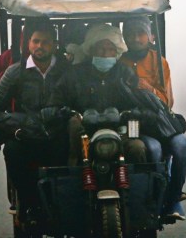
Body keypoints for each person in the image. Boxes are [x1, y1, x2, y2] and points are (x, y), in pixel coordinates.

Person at [0, 22, 71, 218]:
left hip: (58, 134)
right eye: (36, 41)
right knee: (12, 151)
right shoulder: (15, 71)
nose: (40, 46)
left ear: (54, 44)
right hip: (27, 135)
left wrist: (61, 113)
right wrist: (20, 122)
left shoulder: (66, 70)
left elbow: (78, 101)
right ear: (29, 44)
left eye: (46, 42)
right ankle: (29, 204)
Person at [46, 23, 150, 166]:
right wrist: (68, 115)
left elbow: (140, 105)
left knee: (137, 147)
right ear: (91, 50)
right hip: (83, 135)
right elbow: (55, 103)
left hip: (119, 133)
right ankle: (73, 175)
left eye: (110, 49)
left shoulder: (126, 73)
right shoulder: (74, 74)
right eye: (101, 48)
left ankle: (137, 186)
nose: (105, 53)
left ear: (117, 52)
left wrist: (133, 117)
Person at [121, 16, 186, 221]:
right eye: (131, 34)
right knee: (153, 149)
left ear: (151, 37)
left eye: (140, 33)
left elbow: (166, 99)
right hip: (137, 126)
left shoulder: (159, 62)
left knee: (181, 146)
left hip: (160, 123)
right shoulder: (120, 62)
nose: (136, 38)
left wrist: (145, 87)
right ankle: (154, 198)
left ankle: (174, 196)